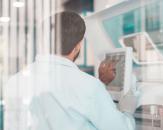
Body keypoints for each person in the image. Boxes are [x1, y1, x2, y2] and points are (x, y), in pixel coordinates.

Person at [4, 12, 138, 130]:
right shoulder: (88, 87)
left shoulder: (14, 82)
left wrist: (100, 84)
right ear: (78, 46)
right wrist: (127, 110)